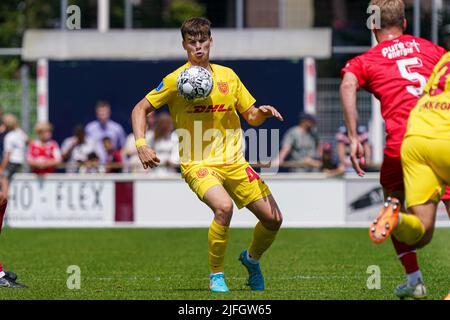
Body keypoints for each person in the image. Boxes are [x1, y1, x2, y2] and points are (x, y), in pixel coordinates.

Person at [131, 17, 283, 293]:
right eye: (192, 43)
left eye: (203, 42)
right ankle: (216, 276)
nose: (198, 48)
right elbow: (139, 109)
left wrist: (261, 113)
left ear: (211, 42)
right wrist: (141, 143)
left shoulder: (228, 76)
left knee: (273, 219)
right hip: (198, 163)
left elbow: (250, 115)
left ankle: (251, 260)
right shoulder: (176, 81)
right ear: (184, 45)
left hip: (235, 162)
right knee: (223, 208)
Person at [340, 0, 449, 299]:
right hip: (441, 134)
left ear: (372, 25)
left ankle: (414, 279)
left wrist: (353, 136)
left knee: (408, 217)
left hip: (402, 146)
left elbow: (348, 85)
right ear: (404, 23)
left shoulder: (367, 60)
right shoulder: (432, 50)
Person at [374, 52, 450, 300]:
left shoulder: (444, 61)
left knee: (421, 232)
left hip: (415, 138)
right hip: (445, 137)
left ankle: (396, 218)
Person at [85, 100, 126, 165]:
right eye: (100, 113)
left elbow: (122, 147)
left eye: (105, 113)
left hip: (112, 165)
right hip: (94, 164)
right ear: (96, 113)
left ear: (109, 113)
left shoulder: (117, 128)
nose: (103, 116)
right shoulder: (89, 128)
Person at [0, 114, 27, 196]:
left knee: (4, 177)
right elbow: (28, 141)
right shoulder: (20, 133)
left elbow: (8, 155)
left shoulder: (9, 137)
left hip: (13, 160)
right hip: (21, 160)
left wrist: (2, 167)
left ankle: (4, 198)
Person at [145, 112, 179, 177]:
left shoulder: (174, 137)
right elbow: (147, 154)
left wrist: (171, 162)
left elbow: (176, 158)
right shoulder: (150, 137)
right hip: (153, 173)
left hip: (170, 173)